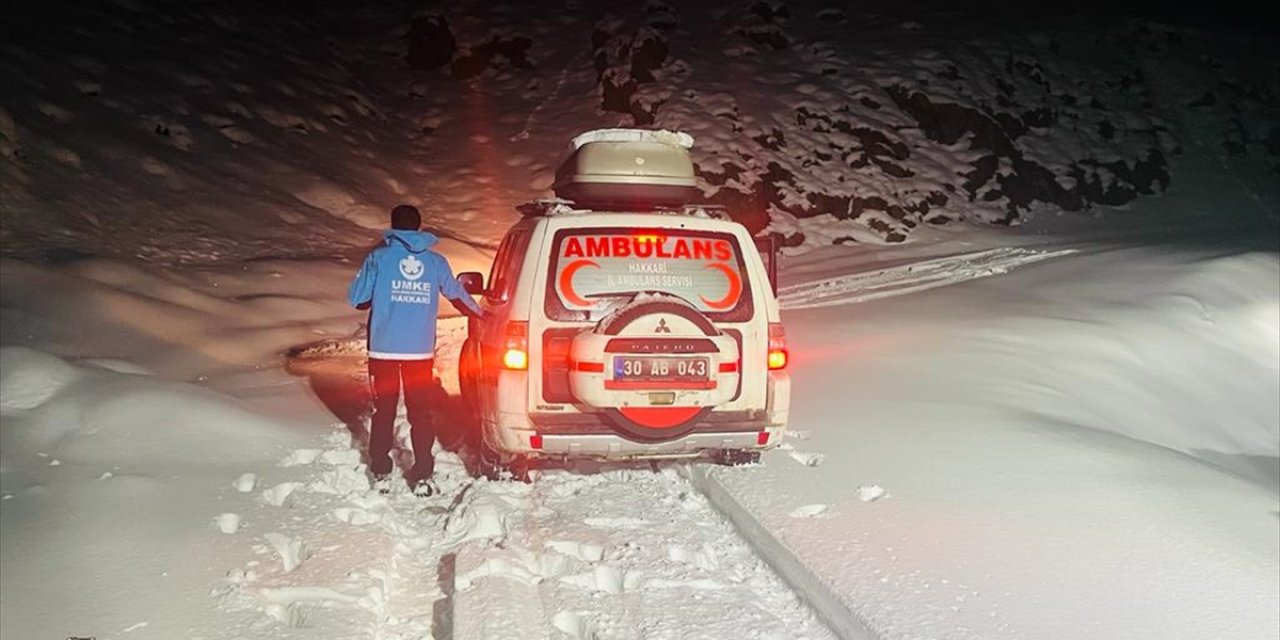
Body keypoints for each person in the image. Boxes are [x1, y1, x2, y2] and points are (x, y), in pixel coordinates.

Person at [348, 204, 484, 494]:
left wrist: (384, 291)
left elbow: (357, 299)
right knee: (420, 414)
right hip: (419, 352)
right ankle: (423, 474)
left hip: (383, 350)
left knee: (383, 411)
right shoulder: (435, 262)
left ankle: (381, 472)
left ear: (393, 226)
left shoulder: (378, 258)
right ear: (419, 227)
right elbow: (457, 294)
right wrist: (481, 313)